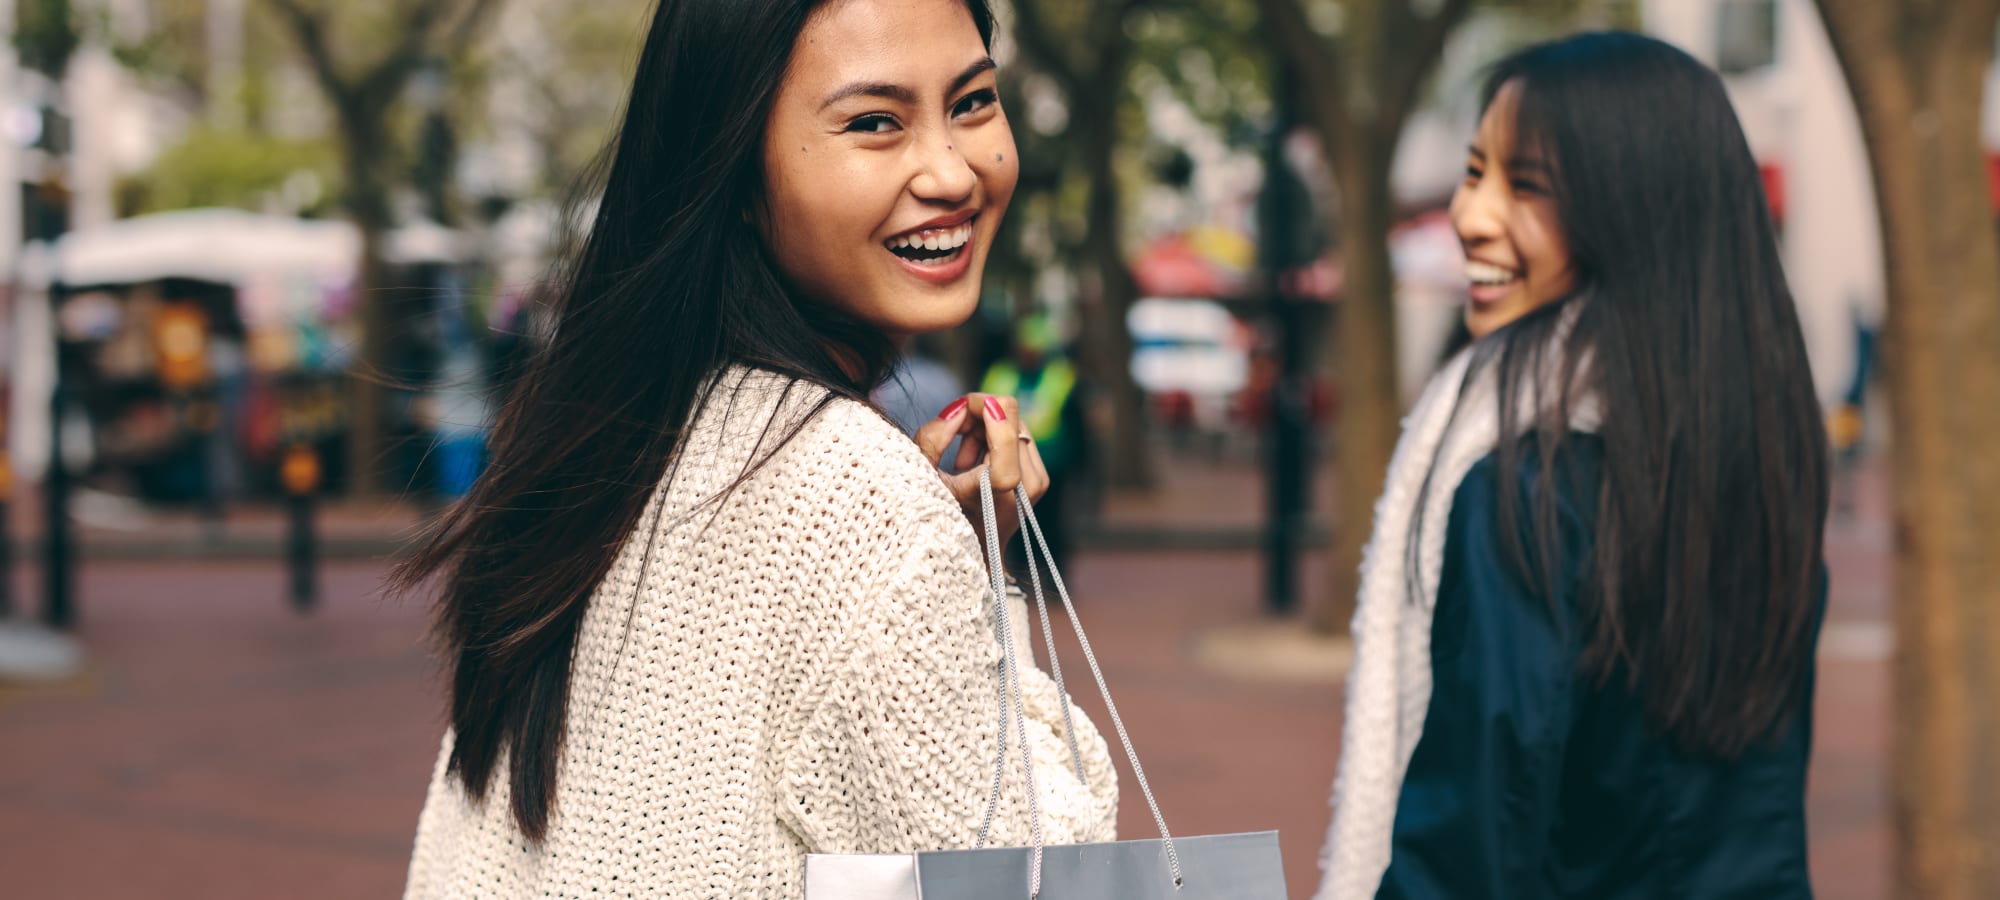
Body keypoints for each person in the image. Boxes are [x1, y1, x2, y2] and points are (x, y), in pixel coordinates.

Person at [394, 2, 1118, 896]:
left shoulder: (605, 443)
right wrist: (978, 580)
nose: (952, 170)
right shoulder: (860, 500)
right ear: (733, 169)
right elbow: (1035, 869)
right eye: (875, 122)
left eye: (972, 102)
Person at [1317, 33, 1829, 900]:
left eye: (1526, 186)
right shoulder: (1754, 463)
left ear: (1631, 212)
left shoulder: (1525, 482)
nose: (1470, 215)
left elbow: (1473, 839)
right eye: (1476, 172)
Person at [981, 315, 1088, 572]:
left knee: (1052, 526)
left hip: (1053, 465)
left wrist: (1079, 463)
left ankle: (1053, 574)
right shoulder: (1000, 375)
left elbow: (1077, 423)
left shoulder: (1061, 377)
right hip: (1011, 465)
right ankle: (1019, 576)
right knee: (1016, 525)